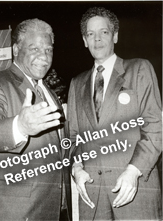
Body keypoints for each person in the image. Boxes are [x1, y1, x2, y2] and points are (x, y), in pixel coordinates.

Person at [0, 18, 71, 221]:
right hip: (9, 211)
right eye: (34, 48)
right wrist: (19, 126)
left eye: (48, 50)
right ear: (15, 49)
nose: (44, 56)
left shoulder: (50, 94)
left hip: (48, 210)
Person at [67, 7, 162, 220]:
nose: (97, 39)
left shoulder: (139, 70)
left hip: (134, 191)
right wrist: (77, 166)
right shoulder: (76, 83)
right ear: (84, 40)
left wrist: (134, 171)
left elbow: (156, 127)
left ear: (115, 36)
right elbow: (71, 138)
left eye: (104, 32)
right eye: (91, 34)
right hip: (93, 199)